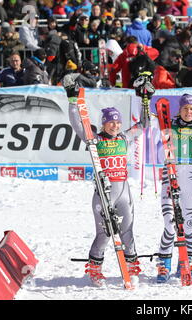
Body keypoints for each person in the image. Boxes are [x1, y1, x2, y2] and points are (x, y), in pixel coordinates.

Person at [62, 74, 141, 288]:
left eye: (117, 122)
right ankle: (95, 270)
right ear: (103, 124)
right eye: (110, 123)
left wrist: (145, 99)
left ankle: (132, 268)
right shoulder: (94, 140)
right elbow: (78, 123)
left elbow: (144, 125)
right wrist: (72, 100)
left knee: (127, 232)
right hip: (103, 194)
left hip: (124, 194)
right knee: (104, 234)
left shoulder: (125, 137)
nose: (114, 126)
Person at [152, 93, 192, 283]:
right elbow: (159, 152)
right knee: (169, 224)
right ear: (179, 110)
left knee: (189, 225)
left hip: (191, 177)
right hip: (171, 176)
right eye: (185, 108)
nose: (189, 111)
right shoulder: (169, 128)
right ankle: (164, 264)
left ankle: (186, 262)